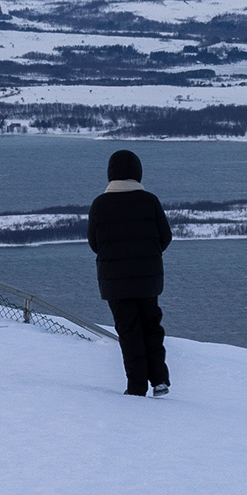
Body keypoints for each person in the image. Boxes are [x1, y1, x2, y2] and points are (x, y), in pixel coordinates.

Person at [85, 148, 174, 397]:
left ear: (110, 174)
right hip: (148, 279)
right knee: (151, 327)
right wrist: (148, 256)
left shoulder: (100, 204)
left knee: (129, 332)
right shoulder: (150, 201)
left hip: (116, 282)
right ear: (138, 172)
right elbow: (165, 237)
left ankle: (136, 386)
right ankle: (159, 380)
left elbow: (94, 243)